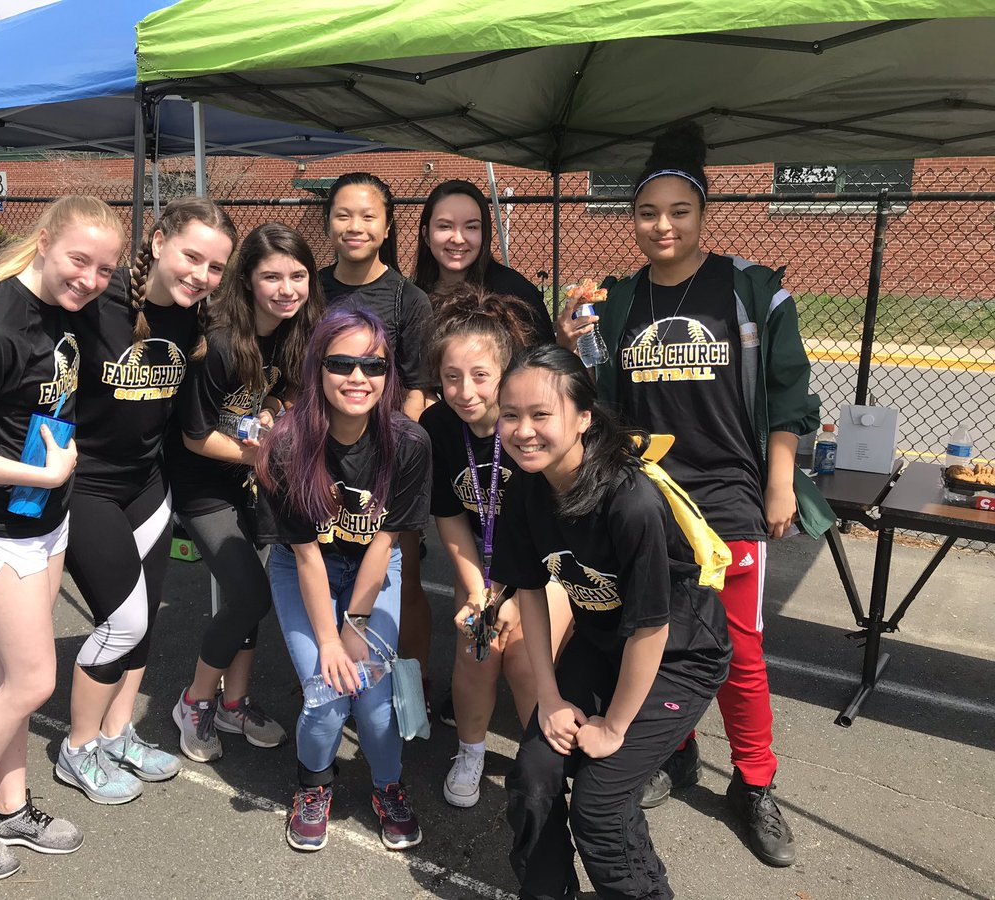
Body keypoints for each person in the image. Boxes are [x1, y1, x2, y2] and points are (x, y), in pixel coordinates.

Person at [560, 122, 834, 868]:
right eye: (649, 213)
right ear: (633, 219)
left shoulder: (751, 289)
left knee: (738, 649)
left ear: (704, 214)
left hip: (729, 494)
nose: (664, 226)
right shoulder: (618, 299)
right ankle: (672, 749)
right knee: (653, 630)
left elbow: (789, 395)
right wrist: (571, 341)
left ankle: (754, 783)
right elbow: (592, 397)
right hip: (645, 495)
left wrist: (780, 482)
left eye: (680, 211)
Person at [0, 196, 124, 881]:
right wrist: (41, 471)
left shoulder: (67, 309)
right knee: (36, 679)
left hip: (46, 519)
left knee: (13, 674)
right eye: (79, 261)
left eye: (105, 269)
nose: (91, 280)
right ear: (42, 242)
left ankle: (10, 805)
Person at [493, 344, 731, 900]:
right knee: (533, 775)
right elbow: (530, 591)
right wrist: (549, 697)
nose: (523, 431)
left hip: (678, 655)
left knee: (600, 806)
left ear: (583, 418)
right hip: (604, 643)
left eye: (541, 414)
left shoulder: (630, 500)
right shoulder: (525, 487)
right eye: (510, 414)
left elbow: (650, 628)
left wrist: (614, 726)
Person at [55, 197, 237, 804]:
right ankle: (77, 749)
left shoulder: (195, 320)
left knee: (146, 617)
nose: (201, 275)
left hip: (147, 485)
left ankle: (116, 733)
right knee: (121, 621)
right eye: (192, 257)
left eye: (215, 267)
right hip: (86, 485)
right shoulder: (96, 301)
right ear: (158, 243)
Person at [255, 302, 431, 853]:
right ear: (317, 368)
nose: (358, 377)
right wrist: (330, 642)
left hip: (373, 568)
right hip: (305, 567)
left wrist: (354, 625)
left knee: (374, 702)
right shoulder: (287, 444)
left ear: (388, 374)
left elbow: (385, 542)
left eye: (373, 366)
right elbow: (305, 555)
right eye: (341, 363)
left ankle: (388, 785)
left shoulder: (408, 442)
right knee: (327, 696)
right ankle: (313, 785)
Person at [169, 222, 324, 763]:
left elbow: (281, 392)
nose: (287, 289)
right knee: (252, 594)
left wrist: (273, 411)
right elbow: (194, 436)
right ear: (248, 281)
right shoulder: (217, 343)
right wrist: (265, 456)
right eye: (272, 277)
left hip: (248, 481)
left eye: (298, 276)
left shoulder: (293, 332)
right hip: (201, 485)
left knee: (246, 599)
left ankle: (233, 704)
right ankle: (194, 701)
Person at [419, 282, 572, 808]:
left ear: (506, 373)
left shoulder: (531, 425)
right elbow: (449, 517)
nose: (466, 391)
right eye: (451, 377)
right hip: (485, 569)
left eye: (481, 376)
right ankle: (471, 751)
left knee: (526, 656)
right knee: (475, 645)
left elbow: (554, 526)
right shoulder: (438, 426)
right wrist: (477, 591)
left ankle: (541, 762)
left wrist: (513, 595)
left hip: (550, 566)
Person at [318, 172, 437, 700]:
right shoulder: (311, 290)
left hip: (385, 463)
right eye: (343, 215)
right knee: (325, 572)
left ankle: (408, 684)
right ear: (328, 223)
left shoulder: (409, 299)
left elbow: (417, 390)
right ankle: (328, 676)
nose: (355, 226)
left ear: (388, 227)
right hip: (322, 457)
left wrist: (389, 457)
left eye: (369, 216)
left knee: (401, 575)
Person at [412, 178, 554, 344]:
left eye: (471, 227)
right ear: (426, 234)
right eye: (445, 226)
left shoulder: (514, 294)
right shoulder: (412, 298)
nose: (458, 239)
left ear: (484, 234)